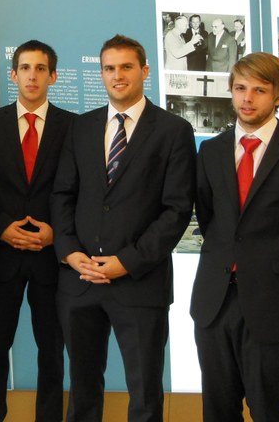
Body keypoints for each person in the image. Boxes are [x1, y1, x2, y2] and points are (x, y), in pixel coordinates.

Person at [52, 34, 196, 422]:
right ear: (101, 73)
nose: (117, 76)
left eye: (126, 67)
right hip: (79, 281)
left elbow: (177, 209)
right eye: (109, 68)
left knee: (145, 394)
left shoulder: (173, 131)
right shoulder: (81, 128)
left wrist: (127, 262)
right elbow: (63, 195)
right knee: (82, 392)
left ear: (145, 71)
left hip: (139, 283)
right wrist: (69, 253)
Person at [190, 52, 279, 422]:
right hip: (215, 302)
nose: (247, 98)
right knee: (217, 411)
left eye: (259, 89)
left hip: (274, 306)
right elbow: (211, 221)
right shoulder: (211, 151)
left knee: (268, 409)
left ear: (278, 95)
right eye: (240, 88)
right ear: (230, 91)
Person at [0, 40, 75, 422]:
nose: (32, 75)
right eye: (25, 68)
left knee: (52, 348)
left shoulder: (73, 126)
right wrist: (1, 229)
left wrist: (56, 234)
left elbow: (78, 191)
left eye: (41, 68)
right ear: (13, 74)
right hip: (4, 255)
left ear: (53, 76)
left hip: (51, 255)